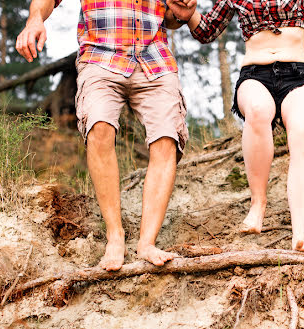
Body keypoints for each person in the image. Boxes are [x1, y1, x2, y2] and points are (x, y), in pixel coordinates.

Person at [169, 0, 304, 252]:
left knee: (303, 132)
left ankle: (300, 235)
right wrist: (190, 13)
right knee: (259, 110)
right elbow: (207, 31)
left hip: (298, 73)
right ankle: (258, 204)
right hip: (254, 74)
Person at [15, 0, 197, 269]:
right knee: (99, 127)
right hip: (101, 58)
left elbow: (169, 16)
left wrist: (181, 15)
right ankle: (115, 236)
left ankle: (147, 243)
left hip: (154, 60)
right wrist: (34, 20)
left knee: (166, 138)